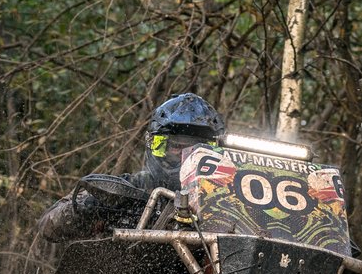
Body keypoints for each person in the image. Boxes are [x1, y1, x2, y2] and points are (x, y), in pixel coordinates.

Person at [37, 93, 226, 242]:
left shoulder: (226, 194)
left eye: (196, 148)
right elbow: (48, 225)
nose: (184, 154)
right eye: (176, 145)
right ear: (157, 145)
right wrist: (90, 207)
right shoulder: (132, 187)